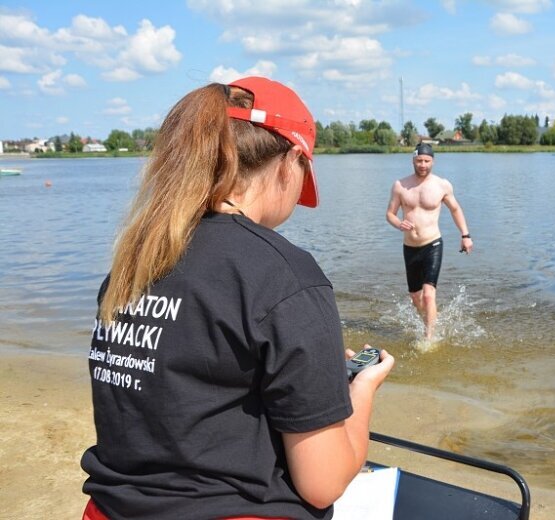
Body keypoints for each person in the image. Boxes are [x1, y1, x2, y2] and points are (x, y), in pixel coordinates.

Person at [80, 76, 394, 520]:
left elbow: (187, 401)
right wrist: (361, 392)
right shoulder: (284, 276)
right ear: (290, 161)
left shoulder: (134, 262)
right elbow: (323, 484)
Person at [385, 142, 473, 341]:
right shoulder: (400, 185)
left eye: (426, 161)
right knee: (416, 298)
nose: (423, 164)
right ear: (413, 161)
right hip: (410, 247)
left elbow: (455, 209)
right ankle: (432, 319)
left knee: (428, 294)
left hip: (432, 244)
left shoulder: (442, 185)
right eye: (419, 161)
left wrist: (465, 235)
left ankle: (428, 338)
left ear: (433, 161)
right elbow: (390, 214)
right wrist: (399, 223)